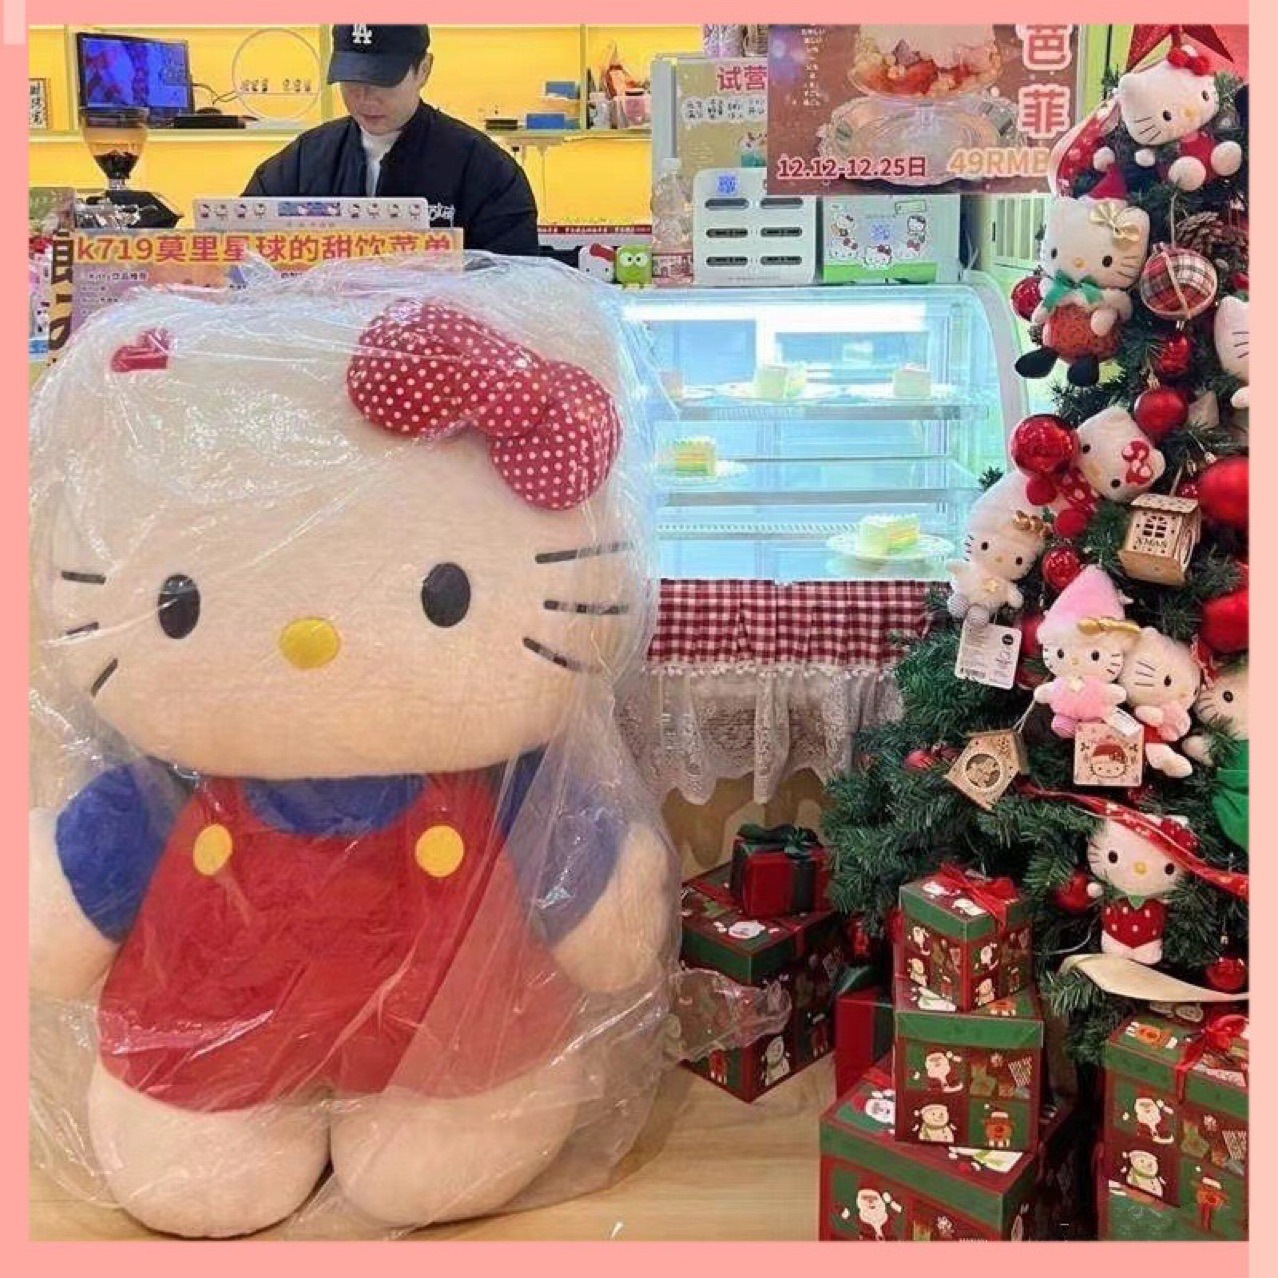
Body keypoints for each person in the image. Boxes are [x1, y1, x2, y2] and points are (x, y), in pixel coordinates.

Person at [243, 25, 539, 255]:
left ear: (424, 70)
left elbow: (514, 282)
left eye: (383, 80)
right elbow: (242, 247)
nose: (365, 97)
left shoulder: (485, 169)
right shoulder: (303, 160)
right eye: (352, 81)